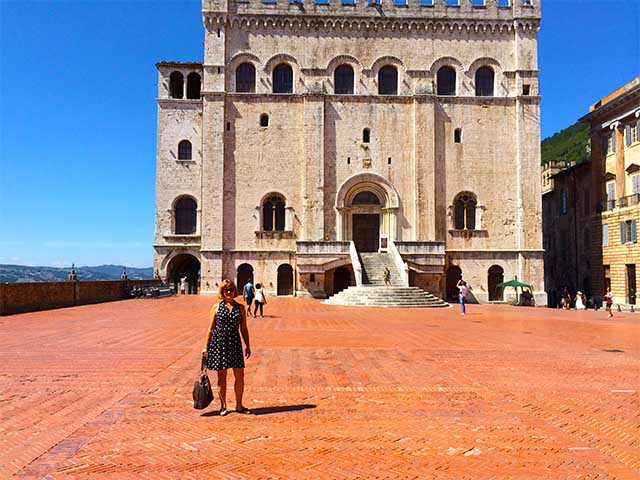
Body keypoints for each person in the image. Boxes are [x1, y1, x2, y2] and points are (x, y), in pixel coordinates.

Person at [202, 279, 252, 416]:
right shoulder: (216, 307)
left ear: (234, 291)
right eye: (226, 290)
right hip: (219, 344)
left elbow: (244, 328)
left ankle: (239, 405)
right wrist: (206, 347)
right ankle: (223, 406)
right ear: (222, 292)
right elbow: (211, 329)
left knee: (240, 376)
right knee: (221, 377)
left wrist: (248, 345)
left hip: (235, 344)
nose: (228, 292)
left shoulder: (240, 308)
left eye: (231, 289)